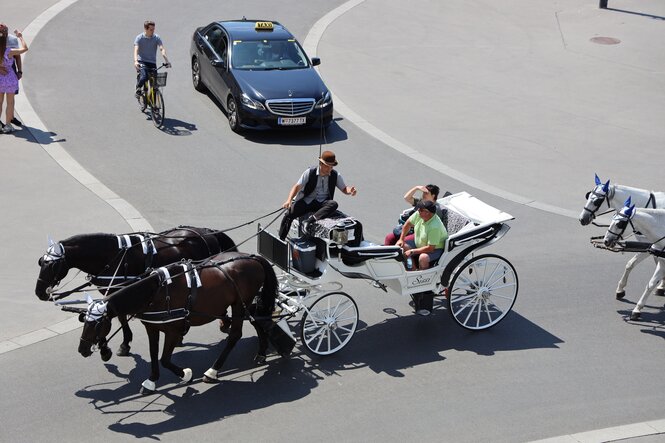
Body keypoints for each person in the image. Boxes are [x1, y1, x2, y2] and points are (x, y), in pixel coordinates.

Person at [279, 150, 357, 240]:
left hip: (322, 204)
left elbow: (344, 188)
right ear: (321, 164)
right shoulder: (310, 172)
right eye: (328, 166)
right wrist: (289, 200)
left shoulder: (335, 175)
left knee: (333, 204)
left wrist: (350, 191)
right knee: (289, 215)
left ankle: (309, 221)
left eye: (331, 167)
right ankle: (281, 238)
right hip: (307, 201)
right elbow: (297, 187)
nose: (330, 169)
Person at [396, 200, 448, 270]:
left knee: (423, 258)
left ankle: (421, 277)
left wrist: (412, 251)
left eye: (420, 210)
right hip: (420, 243)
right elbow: (407, 224)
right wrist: (401, 239)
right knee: (400, 246)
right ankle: (413, 270)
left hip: (435, 249)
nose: (418, 210)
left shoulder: (435, 227)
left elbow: (430, 248)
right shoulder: (419, 214)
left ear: (427, 212)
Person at [0, 25, 28, 134]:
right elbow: (25, 49)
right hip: (10, 79)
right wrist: (20, 36)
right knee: (10, 103)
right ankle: (7, 125)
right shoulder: (9, 51)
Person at [134, 20, 170, 98]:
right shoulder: (139, 38)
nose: (153, 31)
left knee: (155, 85)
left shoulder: (156, 37)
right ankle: (138, 88)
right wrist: (136, 61)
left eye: (154, 29)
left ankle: (154, 105)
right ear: (146, 29)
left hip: (152, 62)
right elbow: (136, 50)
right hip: (142, 61)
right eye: (151, 29)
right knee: (144, 77)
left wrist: (167, 61)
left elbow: (161, 49)